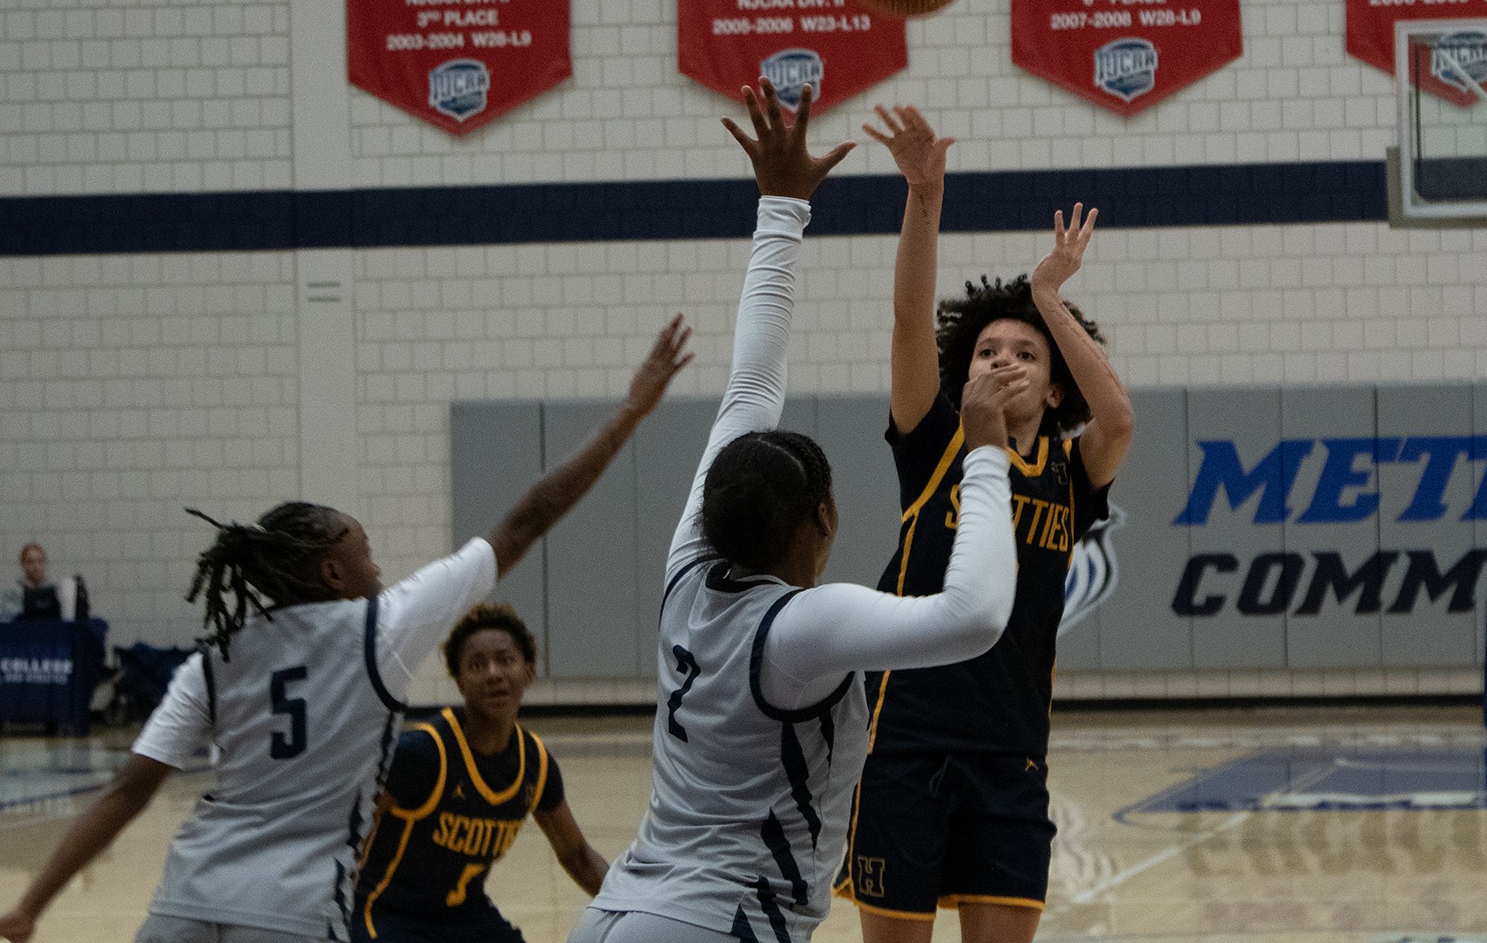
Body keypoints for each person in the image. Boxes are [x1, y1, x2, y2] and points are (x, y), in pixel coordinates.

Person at [0, 318, 693, 943]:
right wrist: (628, 415)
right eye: (364, 549)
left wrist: (32, 903)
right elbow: (528, 518)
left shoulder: (215, 659)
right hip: (294, 911)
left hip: (185, 901)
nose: (378, 561)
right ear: (333, 572)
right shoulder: (382, 630)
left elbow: (127, 792)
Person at [568, 79, 1021, 943]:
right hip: (717, 923)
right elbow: (974, 616)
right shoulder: (801, 627)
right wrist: (986, 451)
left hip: (616, 913)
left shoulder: (687, 568)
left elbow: (752, 386)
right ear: (823, 520)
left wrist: (781, 207)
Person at [842, 105, 1135, 943]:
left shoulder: (1067, 475)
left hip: (1011, 756)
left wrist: (1048, 297)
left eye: (1026, 353)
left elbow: (1116, 419)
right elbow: (908, 321)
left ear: (1053, 391)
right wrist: (923, 197)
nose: (1003, 358)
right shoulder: (934, 442)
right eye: (986, 352)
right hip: (905, 746)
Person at [353, 602, 608, 943]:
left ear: (528, 671)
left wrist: (634, 910)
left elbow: (578, 857)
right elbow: (346, 835)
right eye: (477, 664)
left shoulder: (536, 764)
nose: (493, 674)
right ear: (458, 681)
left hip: (465, 918)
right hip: (388, 915)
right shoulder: (422, 753)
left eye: (505, 660)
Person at [5, 543, 79, 621]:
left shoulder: (56, 590)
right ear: (22, 564)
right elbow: (7, 623)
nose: (36, 567)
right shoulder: (13, 592)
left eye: (40, 561)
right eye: (30, 562)